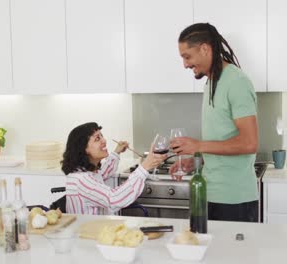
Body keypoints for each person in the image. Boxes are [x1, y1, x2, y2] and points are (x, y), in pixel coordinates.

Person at [170, 23, 259, 222]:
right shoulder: (211, 83)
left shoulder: (236, 82)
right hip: (211, 193)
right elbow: (222, 140)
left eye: (187, 56)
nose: (185, 64)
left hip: (234, 199)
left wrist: (197, 145)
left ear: (205, 49)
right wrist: (195, 162)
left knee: (232, 254)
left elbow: (249, 143)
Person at [61, 122, 166, 215]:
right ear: (83, 148)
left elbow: (104, 172)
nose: (104, 140)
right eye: (97, 138)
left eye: (102, 136)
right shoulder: (81, 180)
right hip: (86, 235)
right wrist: (144, 167)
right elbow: (114, 199)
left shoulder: (88, 172)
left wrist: (117, 152)